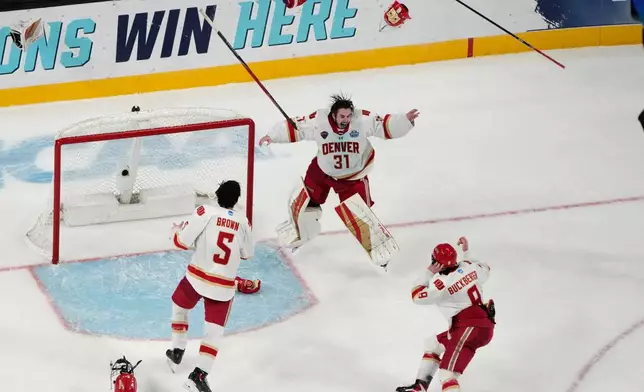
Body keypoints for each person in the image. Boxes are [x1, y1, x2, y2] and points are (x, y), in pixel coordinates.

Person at [259, 93, 419, 260]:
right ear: (333, 114)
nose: (346, 119)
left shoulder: (362, 120)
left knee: (360, 215)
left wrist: (405, 121)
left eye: (349, 116)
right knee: (305, 202)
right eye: (342, 116)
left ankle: (380, 253)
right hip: (322, 171)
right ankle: (301, 233)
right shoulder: (319, 121)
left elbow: (384, 125)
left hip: (353, 177)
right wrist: (272, 136)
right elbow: (297, 127)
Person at [165, 180, 256, 392]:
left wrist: (176, 232)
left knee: (179, 306)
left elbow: (182, 242)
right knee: (213, 332)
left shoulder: (205, 211)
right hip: (223, 286)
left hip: (197, 278)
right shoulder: (243, 221)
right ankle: (199, 375)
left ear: (217, 195)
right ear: (236, 200)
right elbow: (248, 254)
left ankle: (178, 348)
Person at [397, 237, 496, 392]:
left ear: (435, 261)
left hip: (469, 327)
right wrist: (467, 252)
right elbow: (486, 268)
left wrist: (428, 272)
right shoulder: (470, 267)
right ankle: (420, 387)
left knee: (447, 374)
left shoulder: (440, 283)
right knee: (433, 345)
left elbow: (416, 296)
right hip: (478, 325)